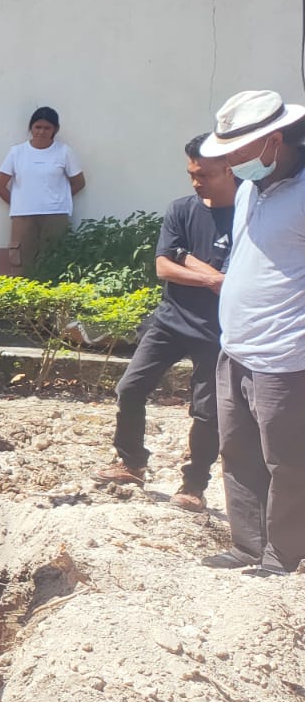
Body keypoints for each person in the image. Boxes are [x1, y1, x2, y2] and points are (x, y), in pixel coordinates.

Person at [195, 90, 305, 577]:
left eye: (238, 153)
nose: (233, 164)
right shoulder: (246, 191)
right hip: (235, 346)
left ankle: (283, 555)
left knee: (286, 461)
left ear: (273, 142)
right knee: (236, 449)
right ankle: (247, 545)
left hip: (285, 353)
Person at [96, 136, 235, 509]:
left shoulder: (250, 213)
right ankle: (132, 462)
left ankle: (194, 487)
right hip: (170, 320)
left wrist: (188, 259)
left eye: (203, 174)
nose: (195, 182)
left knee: (207, 410)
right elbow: (164, 266)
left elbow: (237, 279)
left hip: (219, 331)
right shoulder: (181, 209)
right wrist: (212, 278)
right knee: (130, 387)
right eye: (190, 173)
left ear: (228, 168)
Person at [0, 107, 86, 272]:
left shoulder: (64, 152)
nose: (41, 132)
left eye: (47, 128)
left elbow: (79, 183)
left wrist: (59, 199)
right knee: (22, 263)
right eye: (37, 127)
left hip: (55, 215)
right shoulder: (17, 152)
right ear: (31, 128)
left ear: (55, 130)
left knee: (54, 261)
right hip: (23, 216)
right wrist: (18, 204)